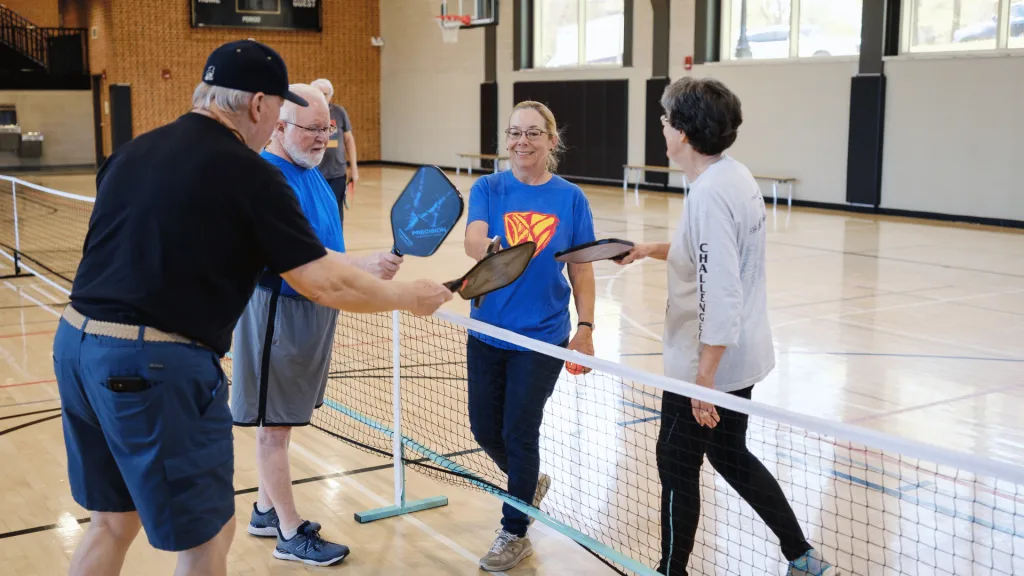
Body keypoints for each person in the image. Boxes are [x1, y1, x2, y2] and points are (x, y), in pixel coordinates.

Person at [52, 40, 451, 576]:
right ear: (259, 106)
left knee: (112, 522)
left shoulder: (133, 151)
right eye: (280, 113)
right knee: (209, 533)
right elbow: (323, 284)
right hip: (152, 364)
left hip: (75, 348)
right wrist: (410, 298)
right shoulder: (249, 172)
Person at [614, 77, 834, 576]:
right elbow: (714, 255)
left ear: (685, 134)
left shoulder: (711, 194)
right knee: (730, 456)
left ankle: (672, 571)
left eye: (666, 122)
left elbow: (722, 291)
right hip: (743, 354)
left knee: (675, 463)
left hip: (707, 363)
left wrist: (704, 381)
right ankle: (801, 554)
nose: (662, 131)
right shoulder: (733, 176)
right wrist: (651, 249)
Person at [229, 83, 402, 566]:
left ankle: (265, 509)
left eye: (328, 130)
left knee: (286, 419)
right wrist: (361, 269)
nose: (322, 141)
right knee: (274, 429)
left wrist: (361, 266)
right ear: (279, 127)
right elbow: (291, 256)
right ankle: (288, 532)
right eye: (312, 130)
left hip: (315, 309)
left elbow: (325, 248)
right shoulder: (266, 178)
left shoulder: (312, 174)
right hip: (278, 314)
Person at [463, 100, 597, 572]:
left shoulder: (570, 198)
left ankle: (513, 532)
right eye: (515, 132)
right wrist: (488, 248)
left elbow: (581, 267)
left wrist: (585, 328)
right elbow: (473, 239)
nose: (522, 141)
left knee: (520, 433)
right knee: (484, 429)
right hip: (486, 331)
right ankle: (527, 483)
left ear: (551, 141)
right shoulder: (489, 187)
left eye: (534, 133)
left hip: (542, 338)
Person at [311, 78, 357, 224]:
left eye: (325, 94)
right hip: (315, 172)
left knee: (336, 211)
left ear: (330, 96)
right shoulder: (306, 112)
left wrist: (354, 169)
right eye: (319, 93)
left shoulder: (339, 112)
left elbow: (349, 140)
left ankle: (336, 245)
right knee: (316, 212)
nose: (322, 96)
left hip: (337, 172)